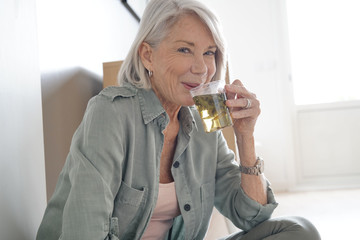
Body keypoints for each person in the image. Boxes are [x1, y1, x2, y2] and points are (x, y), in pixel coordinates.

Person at [36, 0, 321, 239]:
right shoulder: (110, 113)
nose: (202, 69)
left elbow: (250, 216)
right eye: (185, 49)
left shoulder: (203, 126)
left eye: (209, 52)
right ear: (148, 55)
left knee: (299, 231)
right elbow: (84, 232)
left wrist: (246, 139)